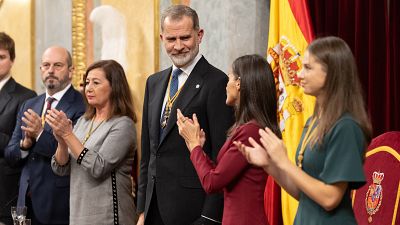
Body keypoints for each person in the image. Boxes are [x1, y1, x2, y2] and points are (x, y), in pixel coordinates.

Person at [236, 36, 372, 225]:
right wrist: (270, 165)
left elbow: (330, 199)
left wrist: (285, 162)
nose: (299, 75)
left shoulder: (346, 126)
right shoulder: (313, 122)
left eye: (307, 68)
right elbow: (304, 193)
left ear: (331, 73)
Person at [137, 5, 234, 225]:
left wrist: (209, 216)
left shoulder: (216, 82)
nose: (178, 46)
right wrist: (142, 209)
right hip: (153, 209)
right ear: (162, 38)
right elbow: (148, 151)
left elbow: (221, 156)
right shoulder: (154, 82)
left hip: (192, 211)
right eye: (171, 39)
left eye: (185, 38)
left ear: (199, 36)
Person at [176, 54, 281, 225]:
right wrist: (197, 147)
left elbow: (212, 183)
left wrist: (194, 146)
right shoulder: (249, 128)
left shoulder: (251, 131)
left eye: (229, 77)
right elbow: (220, 176)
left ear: (239, 83)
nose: (226, 84)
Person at [49, 60, 138, 225]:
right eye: (86, 82)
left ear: (114, 87)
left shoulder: (123, 124)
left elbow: (98, 167)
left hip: (109, 215)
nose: (88, 88)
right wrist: (61, 141)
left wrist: (68, 135)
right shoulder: (84, 121)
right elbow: (62, 168)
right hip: (78, 214)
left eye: (96, 83)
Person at [5, 46, 85, 225]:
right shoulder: (30, 104)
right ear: (40, 69)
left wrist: (40, 134)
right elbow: (10, 154)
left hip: (57, 202)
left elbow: (74, 154)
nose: (51, 70)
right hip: (24, 201)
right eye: (46, 65)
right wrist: (25, 144)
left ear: (71, 71)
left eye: (58, 65)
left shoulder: (81, 105)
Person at [0, 32, 36, 225]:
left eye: (1, 57)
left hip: (6, 192)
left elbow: (17, 147)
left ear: (12, 60)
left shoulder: (26, 96)